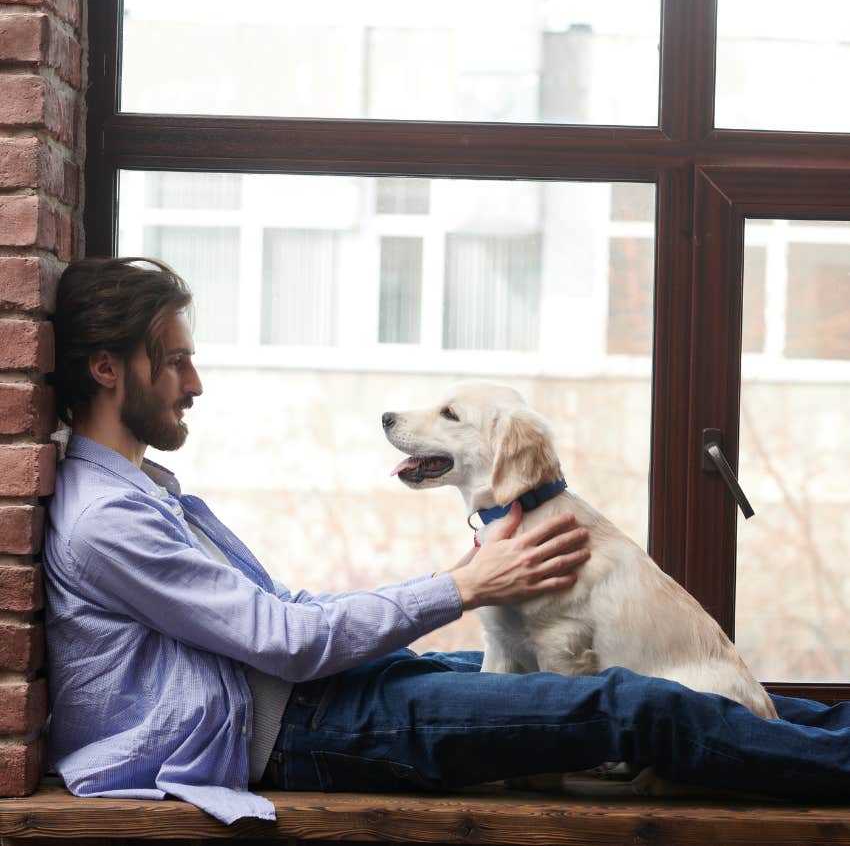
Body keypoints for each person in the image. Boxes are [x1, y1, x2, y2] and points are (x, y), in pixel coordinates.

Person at [44, 257, 850, 825]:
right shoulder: (106, 520)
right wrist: (466, 587)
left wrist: (465, 580)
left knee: (589, 671)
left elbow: (278, 615)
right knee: (631, 704)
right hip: (306, 734)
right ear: (108, 369)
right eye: (175, 361)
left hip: (320, 699)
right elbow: (283, 640)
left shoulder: (138, 494)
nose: (195, 383)